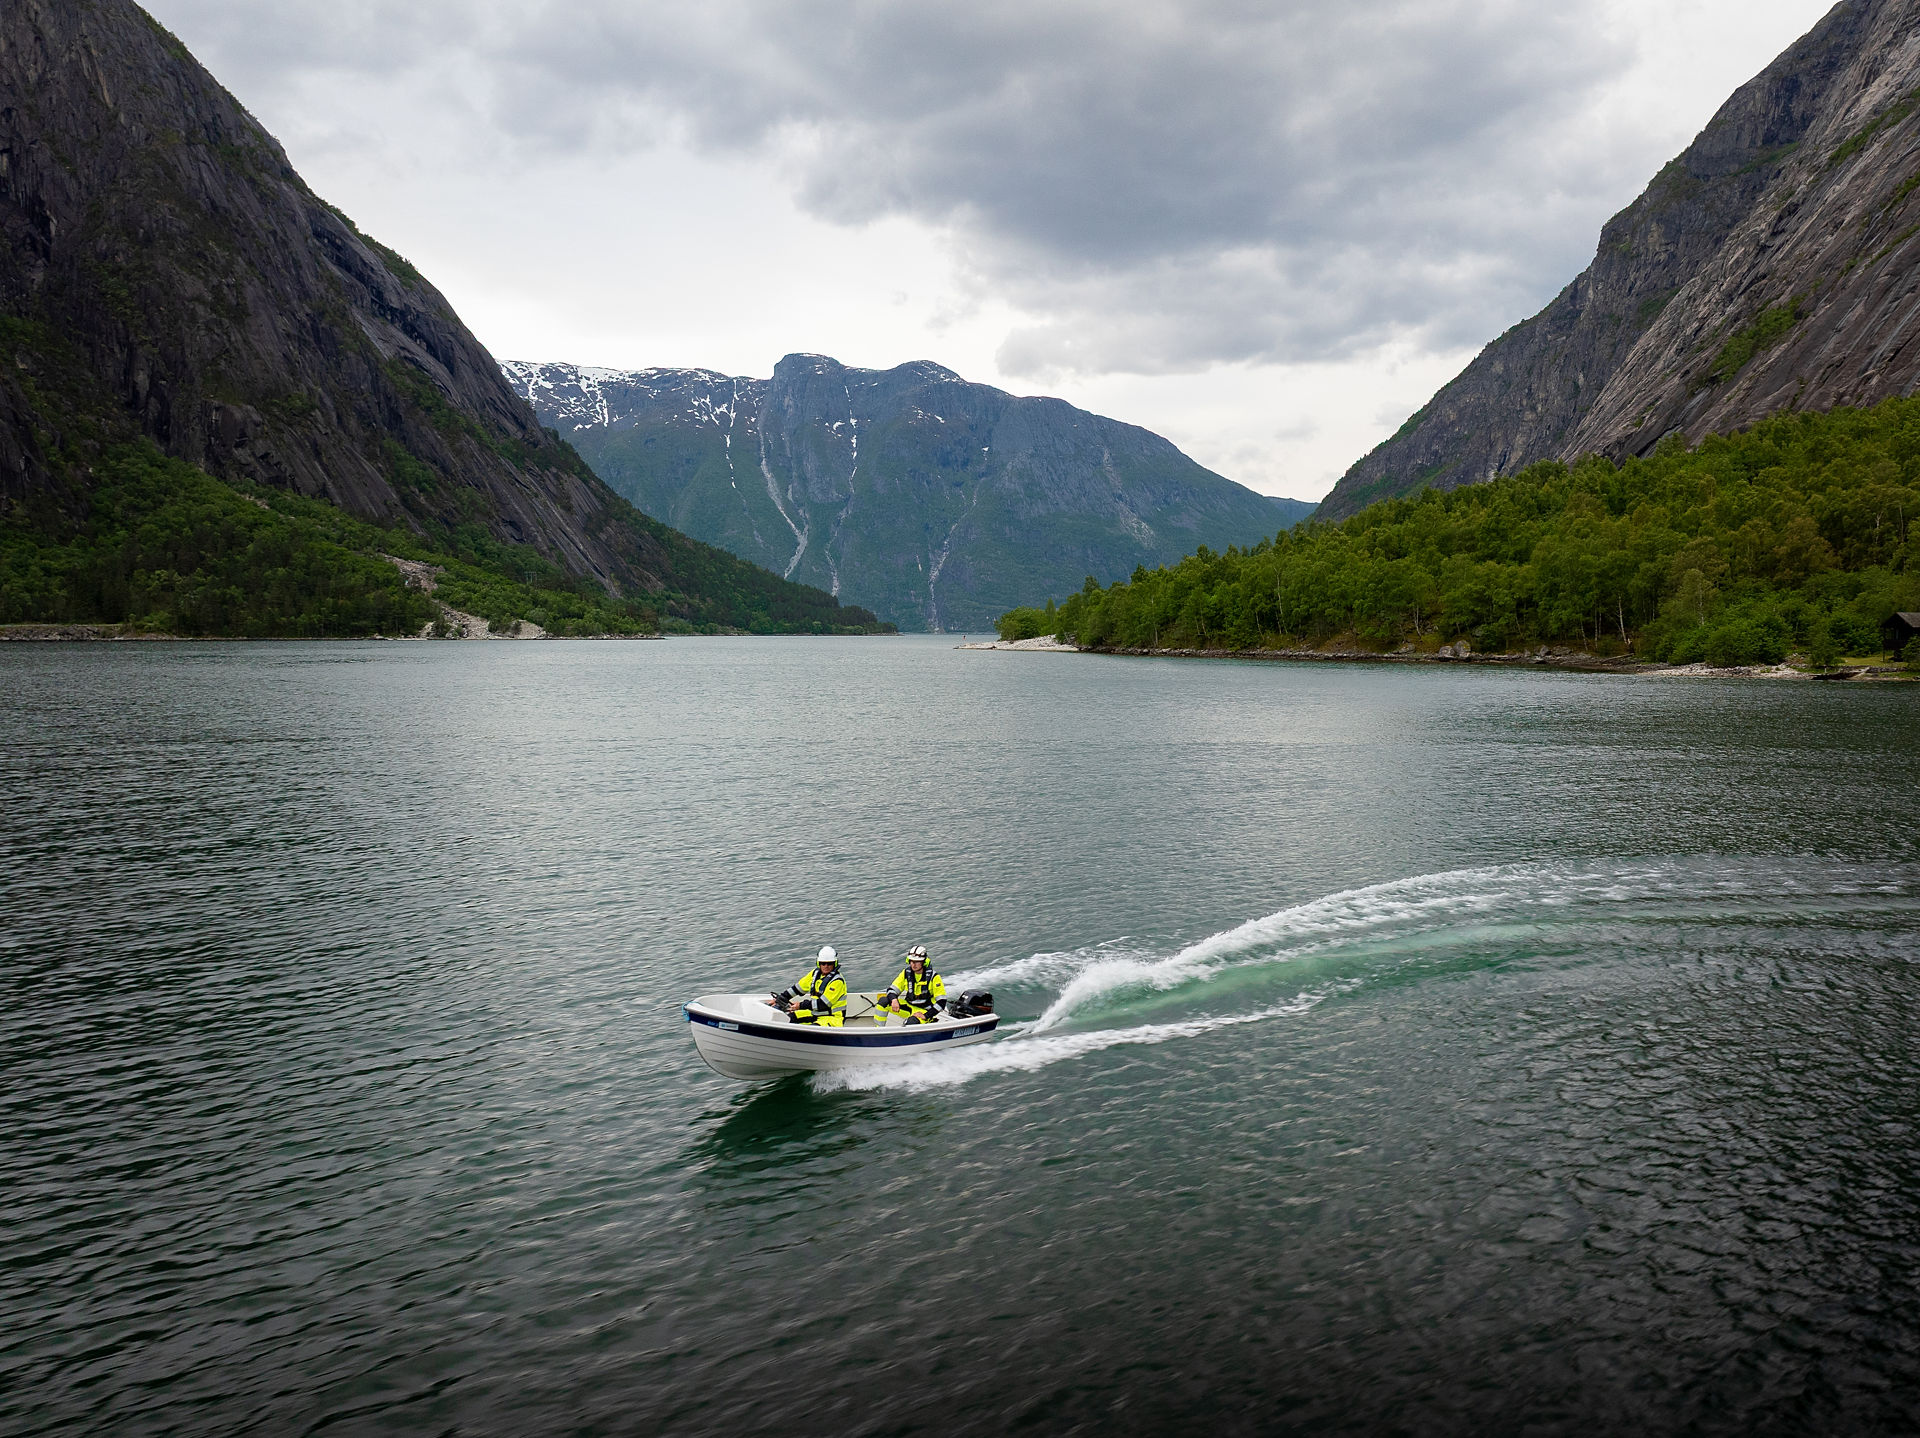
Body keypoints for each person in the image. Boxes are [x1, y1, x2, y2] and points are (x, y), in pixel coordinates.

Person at [774, 946, 847, 1026]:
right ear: (819, 963)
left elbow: (823, 1004)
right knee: (787, 1018)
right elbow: (797, 989)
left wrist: (800, 1006)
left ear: (834, 964)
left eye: (829, 963)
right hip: (815, 1014)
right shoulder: (814, 974)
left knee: (813, 1028)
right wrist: (781, 998)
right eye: (823, 963)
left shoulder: (837, 981)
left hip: (832, 1018)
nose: (826, 966)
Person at [878, 944, 946, 1024]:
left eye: (917, 961)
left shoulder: (934, 977)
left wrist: (926, 1015)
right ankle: (878, 1029)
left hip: (925, 1011)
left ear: (924, 961)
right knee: (883, 1001)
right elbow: (892, 989)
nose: (913, 964)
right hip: (909, 1007)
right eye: (911, 961)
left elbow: (942, 1002)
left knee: (912, 1022)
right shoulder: (906, 973)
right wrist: (894, 999)